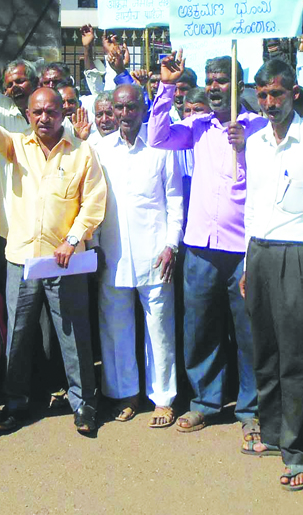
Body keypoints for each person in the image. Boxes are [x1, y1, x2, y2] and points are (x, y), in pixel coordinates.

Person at [0, 67, 107, 435]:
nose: (44, 118)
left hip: (64, 261)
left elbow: (94, 202)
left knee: (73, 335)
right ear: (28, 116)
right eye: (37, 113)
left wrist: (73, 238)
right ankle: (16, 403)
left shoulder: (82, 153)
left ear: (63, 114)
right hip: (21, 259)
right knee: (18, 333)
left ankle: (84, 405)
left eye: (51, 112)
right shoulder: (17, 145)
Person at [230, 62, 303, 490]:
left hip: (299, 256)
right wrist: (245, 262)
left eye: (276, 94)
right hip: (259, 254)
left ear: (293, 93)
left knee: (297, 356)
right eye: (262, 95)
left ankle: (299, 452)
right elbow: (252, 208)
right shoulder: (255, 143)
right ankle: (274, 433)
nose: (269, 103)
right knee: (266, 352)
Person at [148, 51, 265, 447]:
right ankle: (206, 401)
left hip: (243, 248)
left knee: (249, 331)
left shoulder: (259, 126)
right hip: (200, 244)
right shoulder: (196, 126)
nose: (215, 87)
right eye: (211, 81)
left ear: (239, 84)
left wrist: (248, 143)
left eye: (222, 81)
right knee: (201, 327)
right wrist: (166, 86)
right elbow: (157, 136)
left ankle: (252, 410)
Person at [94, 84, 183, 428]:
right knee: (116, 327)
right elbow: (94, 201)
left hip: (155, 254)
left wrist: (171, 245)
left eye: (132, 108)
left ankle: (163, 399)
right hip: (112, 253)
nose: (125, 115)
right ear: (111, 111)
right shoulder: (101, 150)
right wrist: (95, 246)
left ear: (143, 109)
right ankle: (125, 393)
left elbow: (175, 199)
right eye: (119, 108)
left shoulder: (161, 147)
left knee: (159, 328)